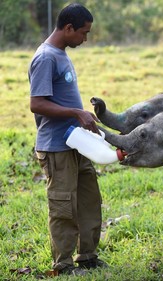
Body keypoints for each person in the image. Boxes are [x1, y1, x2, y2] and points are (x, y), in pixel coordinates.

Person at [28, 3, 106, 276]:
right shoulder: (46, 57)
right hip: (56, 146)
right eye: (83, 33)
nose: (85, 39)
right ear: (68, 28)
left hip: (77, 143)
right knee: (63, 206)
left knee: (88, 200)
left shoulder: (60, 53)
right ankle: (63, 264)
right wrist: (75, 112)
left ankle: (88, 256)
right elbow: (36, 103)